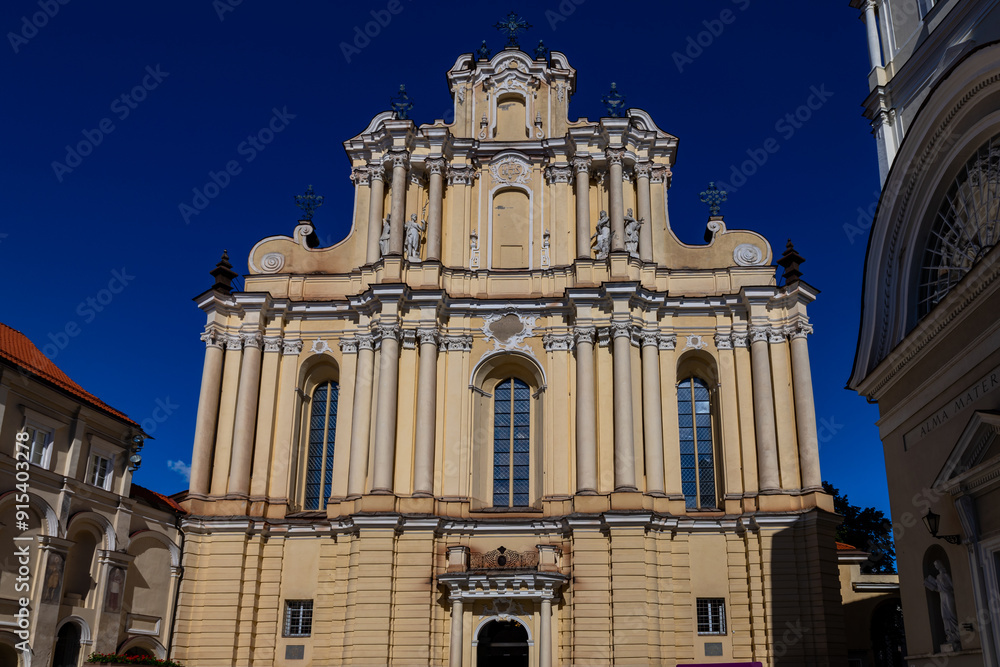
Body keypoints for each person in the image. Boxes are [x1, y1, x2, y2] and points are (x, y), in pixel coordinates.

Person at [924, 560, 960, 649]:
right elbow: (938, 589)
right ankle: (950, 636)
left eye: (937, 565)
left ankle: (957, 636)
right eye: (935, 566)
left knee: (952, 615)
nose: (936, 567)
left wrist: (947, 591)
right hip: (942, 596)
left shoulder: (945, 575)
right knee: (945, 616)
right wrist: (931, 585)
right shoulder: (937, 577)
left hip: (948, 595)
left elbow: (952, 587)